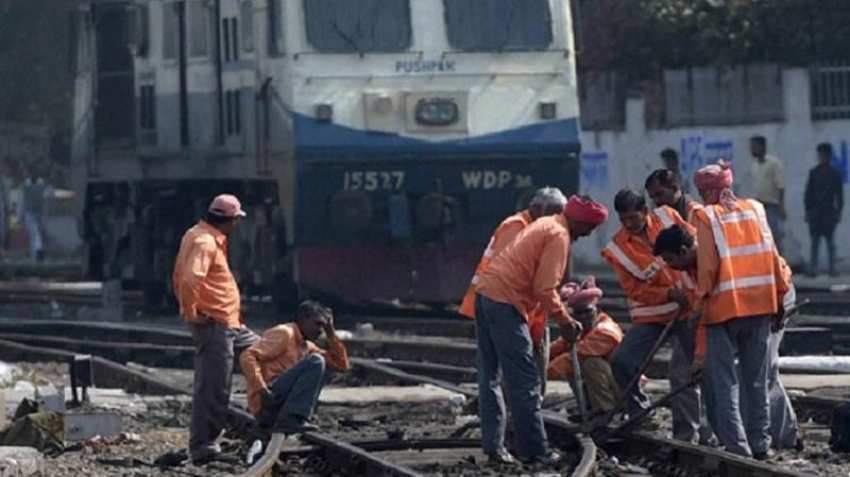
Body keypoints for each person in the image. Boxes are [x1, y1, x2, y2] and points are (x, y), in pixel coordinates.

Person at [474, 195, 608, 465]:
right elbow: (544, 288)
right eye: (589, 228)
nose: (588, 234)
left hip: (486, 295)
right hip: (505, 303)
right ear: (579, 221)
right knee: (525, 382)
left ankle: (494, 448)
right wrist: (565, 321)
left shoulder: (547, 223)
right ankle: (535, 451)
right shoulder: (559, 235)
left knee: (489, 377)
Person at [654, 224, 802, 452]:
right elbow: (706, 316)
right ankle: (753, 442)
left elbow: (775, 267)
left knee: (761, 374)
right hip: (743, 305)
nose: (669, 266)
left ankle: (783, 438)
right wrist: (701, 357)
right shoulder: (692, 269)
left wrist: (780, 304)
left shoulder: (714, 256)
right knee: (747, 375)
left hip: (770, 299)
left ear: (684, 251)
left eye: (669, 259)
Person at [687, 162, 789, 459]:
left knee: (725, 383)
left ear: (706, 191)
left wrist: (698, 303)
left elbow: (707, 267)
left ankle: (738, 449)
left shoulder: (706, 216)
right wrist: (780, 298)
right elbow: (773, 256)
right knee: (757, 381)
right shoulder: (756, 209)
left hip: (724, 310)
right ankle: (761, 445)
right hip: (760, 306)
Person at [602, 189, 700, 438]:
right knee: (622, 361)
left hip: (689, 311)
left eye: (633, 218)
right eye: (624, 220)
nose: (629, 225)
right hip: (652, 317)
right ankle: (641, 413)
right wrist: (667, 294)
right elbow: (634, 289)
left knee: (687, 372)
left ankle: (689, 432)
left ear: (645, 211)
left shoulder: (668, 217)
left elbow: (694, 246)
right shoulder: (617, 248)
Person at [172, 194, 260, 466]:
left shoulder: (200, 234)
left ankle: (271, 422)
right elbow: (189, 279)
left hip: (230, 324)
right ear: (230, 220)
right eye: (236, 220)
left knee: (270, 352)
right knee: (214, 387)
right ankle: (203, 447)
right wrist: (190, 312)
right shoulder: (204, 241)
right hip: (214, 324)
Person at [460, 187, 567, 396]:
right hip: (504, 307)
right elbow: (512, 279)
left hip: (528, 312)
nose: (558, 218)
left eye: (561, 212)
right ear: (536, 208)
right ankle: (513, 422)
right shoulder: (516, 227)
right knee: (511, 376)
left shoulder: (544, 232)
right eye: (554, 212)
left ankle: (525, 418)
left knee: (531, 376)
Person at [644, 169, 713, 444]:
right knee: (682, 373)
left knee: (707, 373)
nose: (657, 203)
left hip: (705, 308)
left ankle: (710, 434)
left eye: (660, 195)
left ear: (676, 188)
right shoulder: (661, 221)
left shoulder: (697, 215)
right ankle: (689, 435)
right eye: (652, 198)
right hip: (689, 308)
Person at [240, 300, 349, 440]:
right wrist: (261, 389)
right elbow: (247, 356)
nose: (320, 330)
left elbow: (341, 365)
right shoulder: (285, 333)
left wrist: (331, 332)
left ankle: (294, 417)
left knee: (323, 367)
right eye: (317, 324)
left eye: (323, 326)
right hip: (268, 401)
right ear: (303, 319)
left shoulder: (306, 345)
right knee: (316, 361)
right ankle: (292, 419)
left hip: (278, 405)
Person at [547, 277, 623, 414]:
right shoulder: (581, 330)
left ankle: (605, 411)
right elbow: (559, 346)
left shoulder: (605, 331)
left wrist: (541, 374)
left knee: (589, 363)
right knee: (574, 367)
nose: (583, 317)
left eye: (587, 312)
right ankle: (588, 408)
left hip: (625, 389)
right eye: (578, 313)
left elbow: (574, 356)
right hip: (611, 385)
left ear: (596, 310)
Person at [804, 143, 844, 276]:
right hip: (816, 212)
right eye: (820, 155)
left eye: (824, 155)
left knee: (830, 242)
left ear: (829, 156)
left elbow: (839, 195)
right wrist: (808, 212)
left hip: (828, 212)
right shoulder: (813, 172)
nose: (822, 157)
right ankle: (813, 269)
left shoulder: (835, 174)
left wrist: (838, 212)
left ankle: (832, 269)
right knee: (815, 242)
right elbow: (808, 194)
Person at [750, 136, 786, 251]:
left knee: (775, 236)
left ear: (762, 147)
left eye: (754, 147)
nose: (752, 150)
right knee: (761, 237)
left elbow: (780, 185)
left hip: (772, 205)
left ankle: (779, 263)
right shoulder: (754, 166)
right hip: (759, 206)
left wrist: (781, 205)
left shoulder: (774, 164)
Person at [18, 170, 49, 261]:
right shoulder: (30, 185)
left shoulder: (37, 184)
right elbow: (22, 201)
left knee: (35, 234)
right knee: (35, 234)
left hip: (35, 213)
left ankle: (37, 253)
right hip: (33, 213)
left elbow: (22, 201)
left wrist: (20, 215)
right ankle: (36, 254)